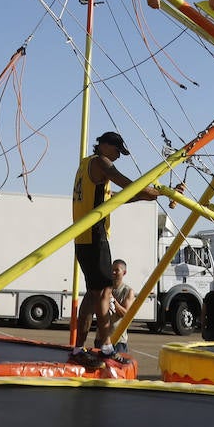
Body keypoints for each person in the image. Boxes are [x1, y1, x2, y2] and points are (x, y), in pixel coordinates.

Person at [70, 132, 159, 364]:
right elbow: (124, 182)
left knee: (91, 296)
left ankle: (79, 348)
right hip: (95, 235)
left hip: (82, 238)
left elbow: (116, 197)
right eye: (118, 150)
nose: (119, 156)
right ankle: (107, 346)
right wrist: (150, 192)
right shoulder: (102, 163)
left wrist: (143, 196)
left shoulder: (86, 164)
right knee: (104, 293)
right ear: (105, 146)